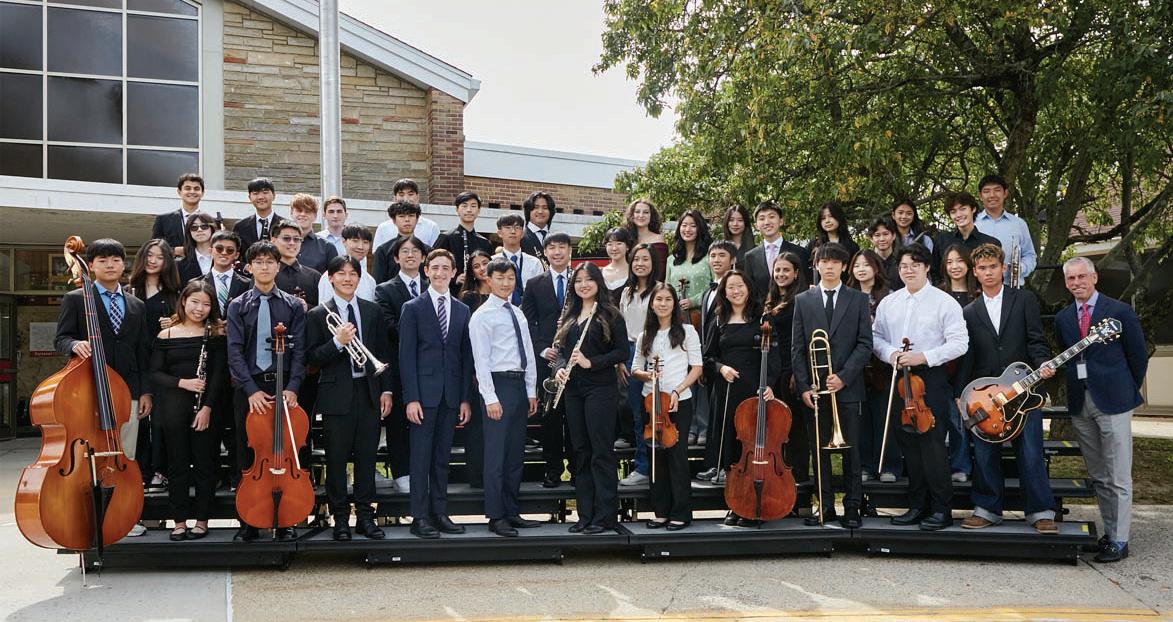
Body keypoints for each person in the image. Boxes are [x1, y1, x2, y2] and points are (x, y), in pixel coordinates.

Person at [54, 238, 153, 537]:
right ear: (91, 265)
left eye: (116, 260)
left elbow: (143, 351)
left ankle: (123, 517)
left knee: (125, 455)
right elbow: (61, 339)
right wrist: (75, 344)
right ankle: (87, 516)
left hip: (128, 392)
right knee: (89, 456)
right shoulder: (76, 299)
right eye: (102, 260)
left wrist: (145, 391)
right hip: (88, 390)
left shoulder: (136, 304)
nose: (110, 265)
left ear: (124, 265)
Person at [956, 243, 1058, 535]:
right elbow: (967, 356)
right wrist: (960, 393)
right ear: (975, 272)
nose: (988, 272)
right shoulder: (969, 312)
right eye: (982, 268)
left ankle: (1040, 512)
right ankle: (987, 509)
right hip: (986, 396)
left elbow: (1036, 340)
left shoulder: (1024, 300)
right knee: (985, 454)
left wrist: (1043, 363)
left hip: (1025, 392)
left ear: (1003, 268)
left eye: (993, 267)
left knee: (1031, 452)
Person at [1055, 257, 1148, 562]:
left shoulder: (1119, 311)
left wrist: (1123, 388)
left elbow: (1138, 357)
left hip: (1114, 401)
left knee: (1118, 474)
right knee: (1099, 474)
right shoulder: (1063, 318)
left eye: (1082, 276)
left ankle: (1120, 540)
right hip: (1080, 402)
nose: (1077, 283)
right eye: (1071, 278)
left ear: (1094, 278)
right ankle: (1110, 532)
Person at [872, 244, 968, 531]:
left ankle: (941, 509)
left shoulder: (944, 302)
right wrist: (891, 353)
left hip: (931, 379)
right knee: (909, 445)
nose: (909, 270)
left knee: (933, 446)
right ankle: (917, 506)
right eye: (903, 266)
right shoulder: (889, 303)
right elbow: (876, 338)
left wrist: (924, 356)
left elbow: (959, 343)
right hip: (898, 379)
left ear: (927, 268)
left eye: (915, 265)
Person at [307, 256, 394, 541]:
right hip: (336, 396)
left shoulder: (372, 311)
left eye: (352, 274)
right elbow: (311, 358)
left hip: (368, 393)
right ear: (330, 278)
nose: (347, 278)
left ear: (359, 278)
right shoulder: (318, 314)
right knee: (336, 460)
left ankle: (366, 517)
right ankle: (340, 519)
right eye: (341, 274)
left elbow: (383, 353)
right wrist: (337, 343)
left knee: (367, 459)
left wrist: (386, 390)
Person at [226, 240, 307, 542]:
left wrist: (293, 387)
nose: (264, 266)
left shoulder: (292, 305)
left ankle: (285, 519)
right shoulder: (237, 305)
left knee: (284, 452)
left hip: (282, 386)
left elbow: (299, 351)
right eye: (258, 262)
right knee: (248, 454)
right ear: (249, 267)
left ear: (277, 266)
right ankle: (248, 520)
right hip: (249, 389)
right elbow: (234, 351)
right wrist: (250, 390)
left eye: (270, 261)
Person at [791, 243, 873, 528]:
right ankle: (824, 506)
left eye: (835, 262)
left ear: (844, 267)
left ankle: (852, 507)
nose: (829, 266)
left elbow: (865, 344)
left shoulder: (858, 299)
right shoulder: (803, 300)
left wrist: (844, 376)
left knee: (851, 451)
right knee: (818, 452)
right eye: (824, 261)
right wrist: (804, 386)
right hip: (816, 391)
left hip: (848, 389)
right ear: (816, 265)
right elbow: (797, 348)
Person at [397, 249, 473, 538]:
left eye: (445, 268)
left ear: (453, 273)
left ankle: (440, 513)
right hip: (423, 397)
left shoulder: (463, 310)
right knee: (420, 458)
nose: (440, 273)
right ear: (426, 271)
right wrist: (411, 398)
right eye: (435, 267)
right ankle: (419, 517)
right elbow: (406, 357)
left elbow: (465, 358)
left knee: (442, 458)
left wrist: (464, 398)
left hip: (451, 396)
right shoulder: (412, 308)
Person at [554, 263, 628, 534]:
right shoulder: (570, 315)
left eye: (588, 280)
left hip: (600, 389)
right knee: (581, 452)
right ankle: (585, 515)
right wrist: (560, 368)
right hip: (573, 391)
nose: (583, 285)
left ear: (598, 282)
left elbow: (622, 352)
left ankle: (605, 516)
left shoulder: (610, 314)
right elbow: (561, 351)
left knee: (600, 452)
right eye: (578, 281)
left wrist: (591, 362)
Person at [702, 270, 781, 527]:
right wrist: (721, 368)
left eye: (740, 286)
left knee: (753, 450)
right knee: (732, 453)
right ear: (724, 293)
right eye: (730, 287)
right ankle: (736, 505)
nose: (735, 291)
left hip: (754, 391)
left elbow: (775, 357)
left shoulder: (763, 319)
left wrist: (769, 385)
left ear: (748, 288)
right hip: (727, 392)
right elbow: (708, 357)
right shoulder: (719, 320)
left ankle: (755, 505)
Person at [470, 258, 541, 537]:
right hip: (497, 386)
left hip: (518, 385)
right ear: (488, 280)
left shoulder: (518, 312)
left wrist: (531, 390)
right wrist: (490, 397)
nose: (505, 283)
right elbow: (481, 361)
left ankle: (512, 511)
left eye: (510, 278)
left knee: (514, 454)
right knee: (496, 455)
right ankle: (496, 515)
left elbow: (528, 353)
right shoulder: (482, 316)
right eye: (499, 278)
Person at [150, 280, 225, 541]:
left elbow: (217, 376)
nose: (199, 309)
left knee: (205, 465)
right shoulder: (167, 335)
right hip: (173, 409)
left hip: (205, 409)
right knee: (177, 466)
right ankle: (179, 521)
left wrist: (207, 408)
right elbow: (155, 373)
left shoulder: (215, 335)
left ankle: (202, 521)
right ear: (183, 301)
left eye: (206, 304)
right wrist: (183, 383)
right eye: (194, 302)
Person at [632, 284, 703, 531]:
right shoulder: (645, 336)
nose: (663, 304)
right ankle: (661, 511)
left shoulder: (687, 331)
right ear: (652, 304)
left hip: (678, 402)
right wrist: (647, 375)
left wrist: (677, 390)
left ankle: (681, 512)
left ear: (674, 304)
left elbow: (697, 368)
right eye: (658, 300)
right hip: (651, 401)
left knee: (677, 457)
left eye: (667, 299)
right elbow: (635, 369)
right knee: (656, 458)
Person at [373, 235, 429, 493]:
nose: (410, 255)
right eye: (404, 251)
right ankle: (401, 472)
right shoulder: (384, 290)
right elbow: (388, 326)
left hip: (429, 367)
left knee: (424, 421)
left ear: (423, 257)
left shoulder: (433, 285)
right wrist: (423, 337)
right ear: (396, 258)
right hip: (397, 364)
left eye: (415, 251)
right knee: (397, 421)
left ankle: (422, 470)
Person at [196, 230, 252, 487]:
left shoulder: (247, 283)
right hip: (208, 355)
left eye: (230, 250)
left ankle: (237, 475)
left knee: (238, 421)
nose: (224, 254)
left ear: (237, 255)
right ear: (211, 250)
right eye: (219, 249)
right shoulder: (197, 282)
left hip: (239, 357)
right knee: (212, 419)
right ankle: (213, 475)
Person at [521, 232, 574, 488]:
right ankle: (553, 469)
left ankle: (576, 469)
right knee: (550, 417)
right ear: (545, 252)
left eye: (562, 247)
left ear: (570, 250)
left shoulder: (581, 279)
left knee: (574, 418)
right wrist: (542, 349)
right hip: (547, 360)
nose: (557, 252)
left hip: (575, 358)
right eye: (551, 248)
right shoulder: (534, 283)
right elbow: (527, 322)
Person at [129, 238, 182, 488]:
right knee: (137, 419)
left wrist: (174, 324)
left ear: (167, 262)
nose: (153, 261)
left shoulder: (174, 295)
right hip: (135, 363)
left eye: (160, 257)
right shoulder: (130, 291)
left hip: (163, 365)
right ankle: (139, 470)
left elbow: (187, 327)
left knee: (161, 421)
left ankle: (161, 470)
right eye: (149, 255)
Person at [845, 249, 901, 484]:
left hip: (882, 366)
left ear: (876, 268)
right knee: (860, 420)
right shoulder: (846, 295)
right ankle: (865, 466)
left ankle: (889, 465)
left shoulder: (890, 296)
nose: (861, 269)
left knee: (884, 416)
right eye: (857, 265)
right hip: (855, 366)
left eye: (866, 265)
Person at [760, 251, 809, 500]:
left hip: (791, 369)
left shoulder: (801, 299)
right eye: (777, 270)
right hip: (773, 370)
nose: (781, 274)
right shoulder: (771, 298)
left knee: (794, 426)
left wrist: (798, 372)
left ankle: (797, 479)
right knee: (776, 427)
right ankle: (777, 476)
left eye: (786, 270)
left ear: (796, 273)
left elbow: (802, 339)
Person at [617, 244, 661, 485]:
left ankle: (659, 466)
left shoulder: (659, 290)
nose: (640, 264)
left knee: (655, 411)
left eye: (645, 259)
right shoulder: (626, 293)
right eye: (636, 259)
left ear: (653, 263)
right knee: (637, 413)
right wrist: (621, 360)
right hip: (630, 351)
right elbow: (621, 328)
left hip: (655, 352)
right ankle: (642, 467)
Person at [936, 244, 979, 483]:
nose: (955, 266)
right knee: (952, 418)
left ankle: (967, 465)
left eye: (959, 261)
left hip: (975, 364)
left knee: (970, 417)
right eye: (950, 261)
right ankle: (954, 466)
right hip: (946, 365)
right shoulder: (937, 295)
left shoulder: (978, 294)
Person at [691, 240, 737, 454]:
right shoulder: (706, 293)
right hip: (710, 358)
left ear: (733, 260)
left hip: (727, 359)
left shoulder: (736, 289)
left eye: (722, 255)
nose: (716, 260)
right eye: (713, 256)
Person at [974, 174, 1037, 286]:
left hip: (1011, 286)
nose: (992, 195)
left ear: (1005, 193)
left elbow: (1029, 255)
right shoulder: (973, 223)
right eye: (987, 191)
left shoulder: (1019, 224)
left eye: (997, 190)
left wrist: (1020, 268)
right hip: (979, 288)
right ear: (980, 196)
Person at [743, 200, 809, 300]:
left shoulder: (799, 252)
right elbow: (750, 290)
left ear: (781, 221)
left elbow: (804, 285)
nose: (767, 222)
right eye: (762, 218)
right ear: (756, 226)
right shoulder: (750, 257)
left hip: (794, 307)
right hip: (762, 309)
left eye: (771, 217)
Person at [932, 192, 1000, 282]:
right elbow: (935, 273)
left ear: (973, 209)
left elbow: (996, 275)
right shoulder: (942, 240)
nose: (958, 215)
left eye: (963, 209)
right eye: (953, 212)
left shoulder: (991, 243)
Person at [435, 191, 494, 286]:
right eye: (464, 206)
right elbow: (433, 266)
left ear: (479, 210)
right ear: (457, 210)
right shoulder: (446, 237)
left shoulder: (485, 242)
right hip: (453, 291)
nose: (469, 210)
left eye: (473, 206)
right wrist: (454, 279)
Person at [666, 209, 713, 321]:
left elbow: (717, 286)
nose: (687, 229)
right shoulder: (671, 260)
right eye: (684, 225)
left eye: (693, 226)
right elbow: (667, 288)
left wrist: (694, 301)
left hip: (703, 317)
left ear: (700, 229)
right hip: (676, 317)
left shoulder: (710, 257)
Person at [372, 200, 432, 283]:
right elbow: (378, 282)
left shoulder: (427, 251)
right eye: (402, 216)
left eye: (411, 216)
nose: (407, 220)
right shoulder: (383, 250)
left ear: (417, 219)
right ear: (394, 220)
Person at [373, 178, 441, 249]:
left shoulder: (431, 227)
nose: (406, 199)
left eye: (410, 194)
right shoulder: (383, 228)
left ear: (417, 197)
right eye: (401, 195)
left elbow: (435, 254)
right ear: (395, 198)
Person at [316, 225, 376, 303]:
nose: (360, 247)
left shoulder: (370, 281)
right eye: (355, 241)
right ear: (344, 241)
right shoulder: (330, 277)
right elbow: (325, 308)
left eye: (365, 242)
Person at [151, 173, 206, 257]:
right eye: (187, 188)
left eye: (196, 189)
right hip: (174, 265)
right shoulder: (163, 220)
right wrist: (174, 251)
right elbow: (154, 249)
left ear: (202, 193)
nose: (192, 192)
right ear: (179, 192)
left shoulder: (211, 222)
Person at [270, 220, 321, 308]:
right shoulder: (265, 274)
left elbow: (324, 309)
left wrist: (307, 307)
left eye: (296, 239)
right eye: (286, 238)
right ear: (273, 241)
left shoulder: (314, 277)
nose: (292, 243)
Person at [496, 213, 542, 305]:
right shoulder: (492, 262)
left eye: (517, 227)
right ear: (499, 233)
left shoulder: (534, 263)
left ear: (522, 233)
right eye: (508, 227)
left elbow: (539, 292)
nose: (513, 231)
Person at [806, 202, 861, 278]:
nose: (827, 221)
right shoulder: (814, 245)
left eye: (831, 216)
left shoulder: (852, 246)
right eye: (823, 218)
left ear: (839, 217)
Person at [287, 193, 338, 273]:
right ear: (291, 213)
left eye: (307, 211)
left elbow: (334, 277)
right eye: (299, 210)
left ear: (315, 216)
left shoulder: (327, 248)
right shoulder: (279, 244)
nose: (303, 214)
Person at [623, 199, 669, 282]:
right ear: (632, 215)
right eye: (637, 212)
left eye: (646, 212)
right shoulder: (626, 239)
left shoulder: (658, 239)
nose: (641, 215)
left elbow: (660, 271)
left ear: (651, 216)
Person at [232, 177, 281, 253]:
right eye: (255, 193)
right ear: (249, 197)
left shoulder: (284, 226)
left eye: (265, 192)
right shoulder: (240, 227)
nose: (261, 197)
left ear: (274, 195)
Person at [177, 212, 216, 282]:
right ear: (189, 232)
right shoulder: (180, 264)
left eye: (204, 226)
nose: (199, 230)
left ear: (212, 229)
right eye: (194, 227)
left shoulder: (224, 257)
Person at [868, 215, 903, 289]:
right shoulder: (867, 261)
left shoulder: (902, 260)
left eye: (885, 234)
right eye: (877, 235)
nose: (882, 239)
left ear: (893, 236)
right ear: (871, 239)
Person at [521, 190, 556, 262]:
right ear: (528, 211)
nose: (540, 211)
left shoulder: (556, 238)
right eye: (536, 207)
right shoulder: (520, 237)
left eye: (545, 208)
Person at [601, 227, 633, 301]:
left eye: (619, 243)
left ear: (627, 246)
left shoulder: (634, 273)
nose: (614, 248)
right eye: (610, 244)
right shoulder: (599, 273)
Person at [721, 204, 754, 268]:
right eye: (731, 220)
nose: (735, 224)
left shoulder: (754, 250)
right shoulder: (720, 247)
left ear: (745, 223)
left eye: (740, 220)